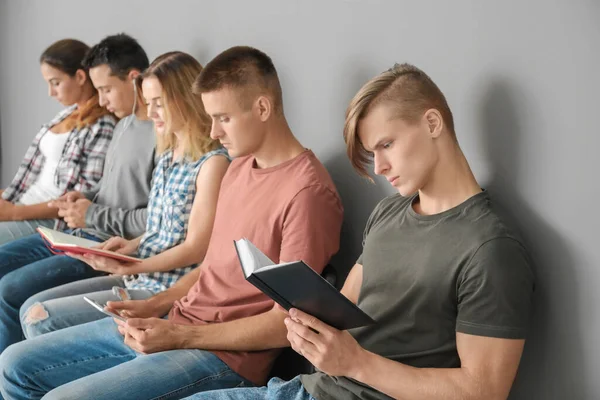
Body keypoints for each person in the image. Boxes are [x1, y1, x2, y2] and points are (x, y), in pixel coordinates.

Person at [0, 45, 344, 400]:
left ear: (261, 108)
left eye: (223, 118)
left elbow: (282, 324)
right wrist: (154, 305)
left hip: (222, 358)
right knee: (13, 364)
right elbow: (212, 266)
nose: (214, 132)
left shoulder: (308, 193)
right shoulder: (241, 166)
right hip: (177, 324)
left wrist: (179, 336)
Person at [186, 63, 536, 400]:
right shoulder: (388, 212)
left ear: (432, 123)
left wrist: (355, 363)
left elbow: (483, 391)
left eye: (387, 145)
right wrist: (303, 323)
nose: (380, 167)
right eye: (373, 152)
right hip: (311, 388)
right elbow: (342, 307)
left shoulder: (490, 248)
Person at [20, 51, 229, 338]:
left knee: (39, 319)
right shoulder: (169, 155)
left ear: (187, 99)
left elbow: (196, 247)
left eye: (159, 103)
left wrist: (133, 263)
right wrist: (130, 246)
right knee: (31, 308)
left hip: (164, 289)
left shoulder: (213, 163)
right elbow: (163, 228)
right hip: (141, 276)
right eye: (148, 102)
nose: (151, 112)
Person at [0, 33, 154, 354]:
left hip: (106, 247)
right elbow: (110, 189)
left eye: (106, 89)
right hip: (81, 234)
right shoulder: (125, 125)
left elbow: (157, 218)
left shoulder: (157, 134)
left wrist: (91, 213)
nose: (99, 100)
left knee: (10, 289)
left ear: (134, 79)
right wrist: (83, 196)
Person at [0, 38, 116, 245]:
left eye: (55, 83)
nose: (50, 92)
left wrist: (15, 213)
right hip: (22, 203)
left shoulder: (102, 126)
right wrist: (8, 198)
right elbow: (38, 177)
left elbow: (81, 198)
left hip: (46, 219)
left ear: (80, 76)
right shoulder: (65, 115)